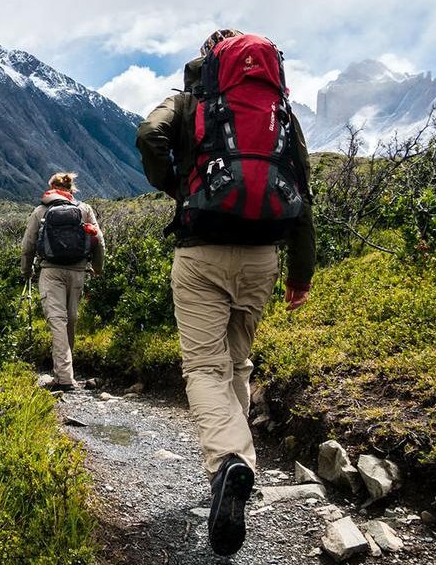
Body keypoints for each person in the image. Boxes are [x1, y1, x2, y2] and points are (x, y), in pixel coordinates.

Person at [135, 29, 315, 556]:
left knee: (204, 368)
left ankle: (229, 463)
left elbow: (149, 136)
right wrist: (300, 275)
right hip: (263, 256)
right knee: (237, 363)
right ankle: (235, 468)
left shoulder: (190, 101)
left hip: (201, 252)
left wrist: (177, 185)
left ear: (209, 61)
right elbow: (302, 190)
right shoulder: (279, 112)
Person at [20, 172, 105, 392]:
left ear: (51, 187)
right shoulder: (84, 209)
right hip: (78, 272)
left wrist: (27, 271)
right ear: (71, 188)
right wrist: (97, 268)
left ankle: (64, 377)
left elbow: (28, 246)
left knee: (57, 320)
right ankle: (66, 372)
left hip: (51, 272)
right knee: (71, 320)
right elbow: (99, 241)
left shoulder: (40, 211)